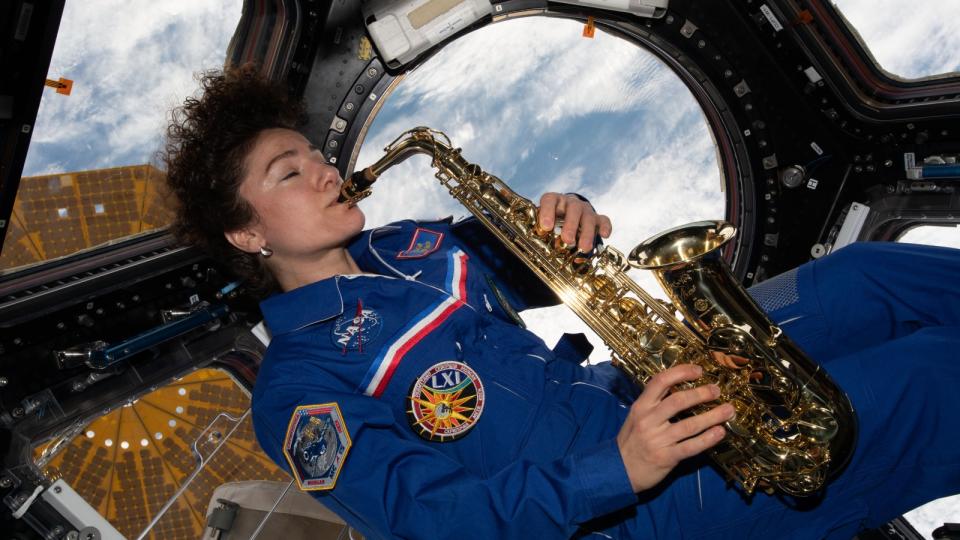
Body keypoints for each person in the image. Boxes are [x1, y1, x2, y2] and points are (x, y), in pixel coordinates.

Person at [163, 65, 960, 539]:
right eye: (288, 173)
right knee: (928, 377)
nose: (327, 172)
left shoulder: (412, 245)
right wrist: (618, 468)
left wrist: (572, 213)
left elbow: (552, 256)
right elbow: (432, 523)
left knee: (864, 277)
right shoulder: (297, 391)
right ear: (245, 234)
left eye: (313, 155)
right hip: (626, 506)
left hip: (637, 387)